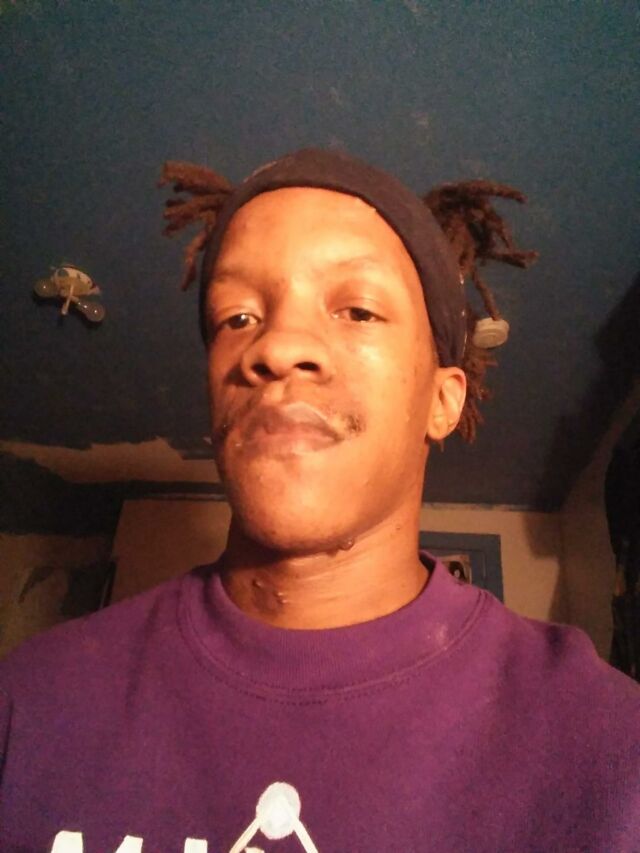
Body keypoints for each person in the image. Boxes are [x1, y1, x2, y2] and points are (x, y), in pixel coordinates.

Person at [1, 148, 638, 852]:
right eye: (237, 317)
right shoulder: (31, 701)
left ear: (442, 399)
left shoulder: (608, 748)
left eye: (357, 309)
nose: (276, 346)